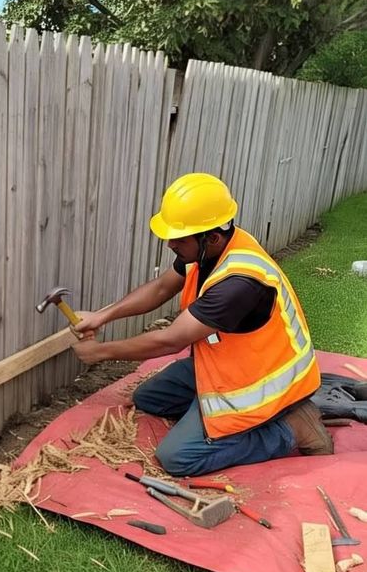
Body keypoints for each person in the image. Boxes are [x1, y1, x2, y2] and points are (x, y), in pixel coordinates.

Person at [72, 172, 333, 477]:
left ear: (211, 237)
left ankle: (292, 428)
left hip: (262, 384)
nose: (170, 244)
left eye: (179, 239)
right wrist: (102, 316)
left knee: (177, 457)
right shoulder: (209, 247)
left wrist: (101, 352)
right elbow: (160, 288)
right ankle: (210, 413)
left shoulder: (238, 285)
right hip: (225, 364)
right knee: (148, 399)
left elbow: (171, 340)